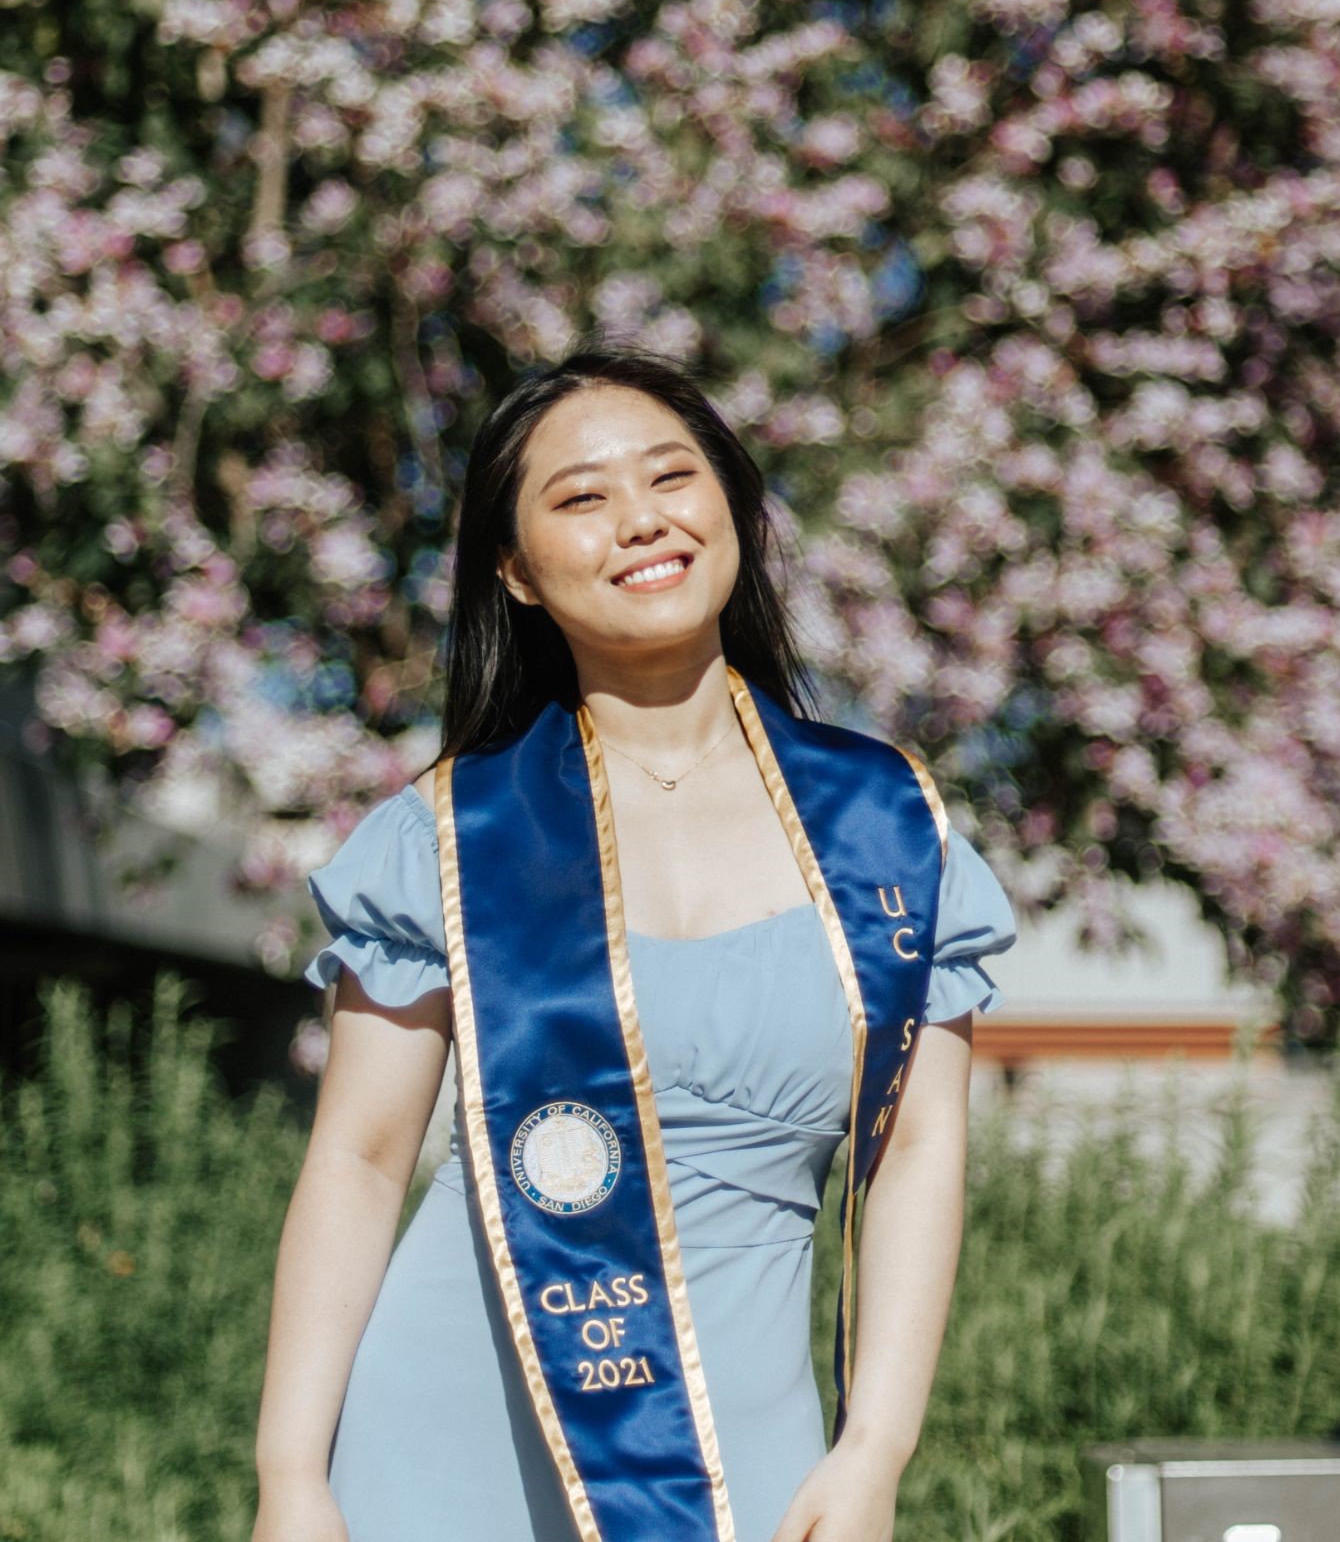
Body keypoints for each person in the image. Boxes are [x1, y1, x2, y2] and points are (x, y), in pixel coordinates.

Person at [251, 340, 1018, 1542]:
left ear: (732, 506)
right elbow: (358, 1157)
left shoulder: (891, 828)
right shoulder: (453, 836)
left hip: (745, 1437)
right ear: (514, 568)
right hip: (450, 1427)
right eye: (580, 498)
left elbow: (918, 1149)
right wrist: (291, 1475)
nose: (639, 522)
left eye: (671, 477)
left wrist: (877, 1445)